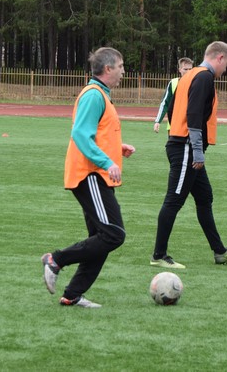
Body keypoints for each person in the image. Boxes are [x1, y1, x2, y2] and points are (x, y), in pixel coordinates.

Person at [41, 47, 136, 308]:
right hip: (90, 174)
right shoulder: (94, 95)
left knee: (101, 238)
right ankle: (56, 260)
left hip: (96, 174)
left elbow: (96, 134)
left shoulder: (101, 94)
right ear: (108, 69)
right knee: (113, 234)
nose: (123, 71)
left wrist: (117, 149)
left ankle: (72, 295)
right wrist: (107, 161)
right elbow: (81, 135)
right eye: (120, 66)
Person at [150, 41, 227, 269]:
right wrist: (197, 152)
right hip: (186, 148)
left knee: (204, 197)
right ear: (219, 58)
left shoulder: (189, 76)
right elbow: (193, 115)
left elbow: (175, 110)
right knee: (174, 200)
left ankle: (219, 251)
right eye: (226, 64)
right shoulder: (203, 77)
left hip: (184, 145)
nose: (225, 69)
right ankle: (158, 255)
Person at [153, 57, 193, 133]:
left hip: (191, 127)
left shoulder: (197, 84)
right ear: (180, 70)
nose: (188, 71)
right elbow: (165, 103)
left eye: (190, 69)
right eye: (185, 69)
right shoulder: (173, 83)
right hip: (174, 126)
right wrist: (157, 121)